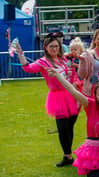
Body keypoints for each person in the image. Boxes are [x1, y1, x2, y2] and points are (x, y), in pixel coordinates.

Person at [47, 68, 99, 177]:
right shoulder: (91, 105)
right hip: (93, 153)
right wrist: (58, 76)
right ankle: (93, 173)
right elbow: (72, 91)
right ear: (96, 96)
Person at [15, 33, 79, 167]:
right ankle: (67, 155)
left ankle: (69, 155)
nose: (54, 48)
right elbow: (28, 68)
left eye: (56, 46)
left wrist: (75, 86)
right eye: (51, 46)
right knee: (62, 127)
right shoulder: (42, 62)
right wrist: (20, 54)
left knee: (69, 127)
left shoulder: (64, 60)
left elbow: (73, 74)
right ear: (46, 48)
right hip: (58, 97)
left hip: (72, 94)